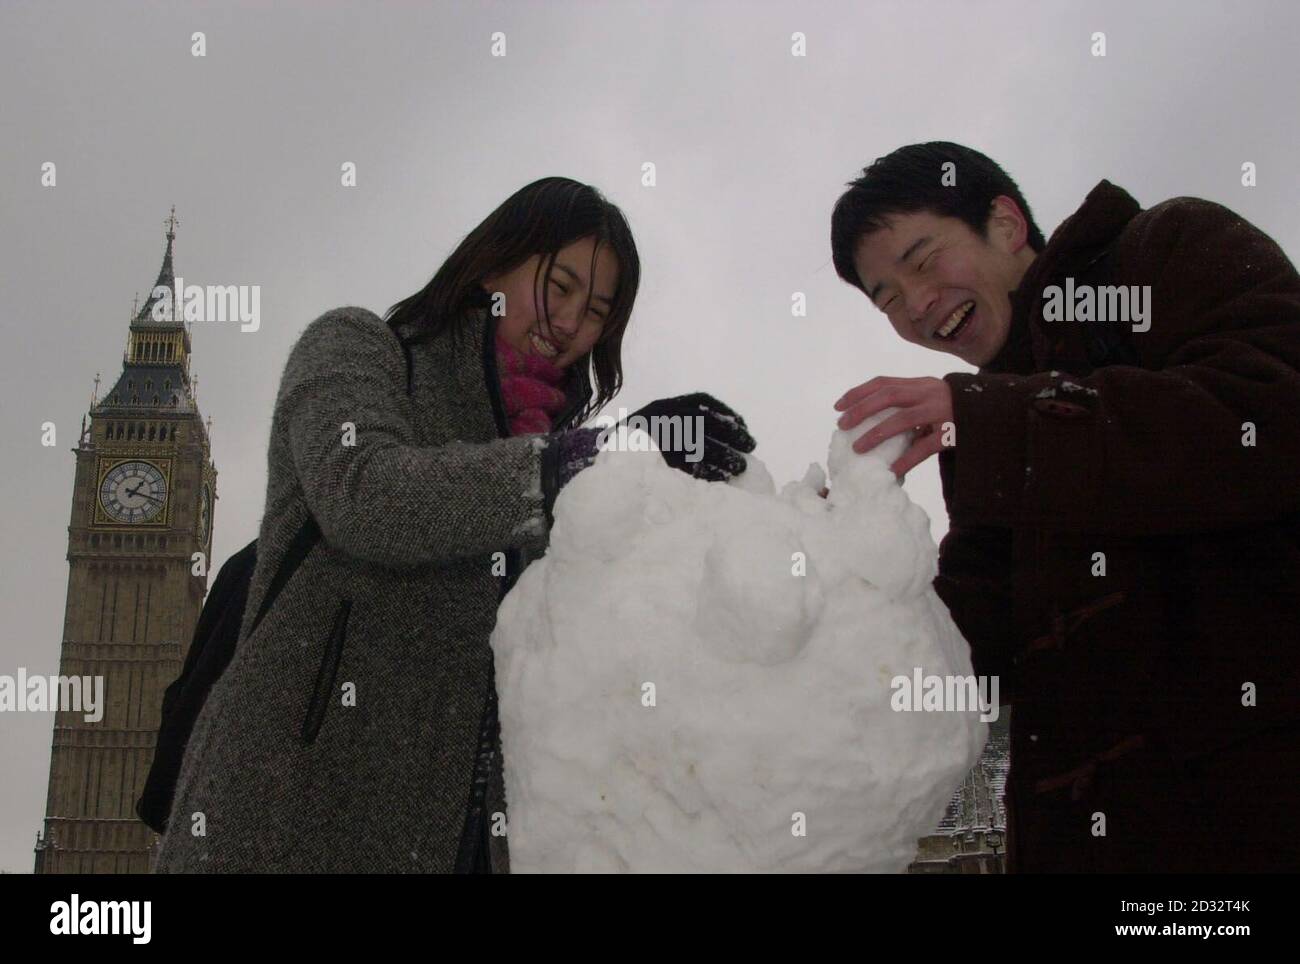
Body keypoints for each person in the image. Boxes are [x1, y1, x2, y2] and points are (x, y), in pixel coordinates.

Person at [155, 176, 755, 873]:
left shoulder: (565, 475)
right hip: (284, 817)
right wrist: (578, 464)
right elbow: (366, 494)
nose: (569, 323)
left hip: (455, 844)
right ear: (494, 260)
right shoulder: (357, 348)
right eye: (558, 286)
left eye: (595, 311)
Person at [829, 142, 1300, 872]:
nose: (915, 305)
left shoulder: (1168, 246)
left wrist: (996, 423)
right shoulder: (982, 438)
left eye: (922, 261)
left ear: (1007, 224)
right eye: (886, 296)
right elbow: (972, 649)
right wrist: (836, 563)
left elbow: (1270, 418)